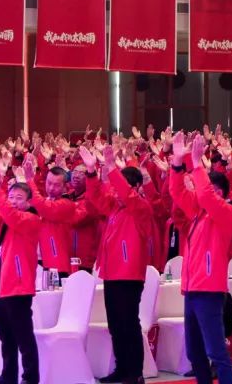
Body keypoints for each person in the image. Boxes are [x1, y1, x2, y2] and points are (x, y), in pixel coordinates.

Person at [169, 133, 232, 384]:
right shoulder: (198, 213)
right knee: (194, 352)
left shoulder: (227, 213)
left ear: (218, 191)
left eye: (206, 187)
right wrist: (178, 163)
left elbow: (207, 197)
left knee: (216, 353)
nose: (199, 191)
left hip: (209, 289)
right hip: (191, 289)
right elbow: (176, 191)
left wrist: (197, 164)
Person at [81, 144, 154, 384]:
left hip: (130, 274)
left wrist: (112, 168)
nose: (114, 190)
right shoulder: (114, 208)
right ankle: (122, 368)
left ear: (133, 187)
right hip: (112, 274)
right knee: (115, 324)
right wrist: (92, 173)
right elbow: (95, 196)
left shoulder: (140, 207)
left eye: (120, 185)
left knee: (128, 323)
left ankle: (135, 373)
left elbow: (127, 196)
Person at [0, 167, 41, 384]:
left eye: (18, 198)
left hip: (18, 286)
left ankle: (30, 378)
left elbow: (12, 217)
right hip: (1, 285)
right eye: (10, 196)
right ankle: (9, 375)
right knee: (6, 336)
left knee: (23, 337)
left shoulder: (31, 219)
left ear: (29, 202)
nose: (12, 201)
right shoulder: (5, 220)